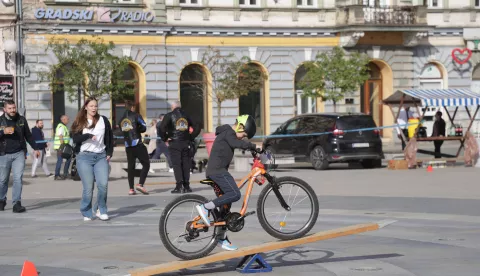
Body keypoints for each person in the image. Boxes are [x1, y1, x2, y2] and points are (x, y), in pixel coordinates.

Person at [195, 115, 261, 251]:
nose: (243, 137)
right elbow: (236, 143)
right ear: (240, 126)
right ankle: (205, 207)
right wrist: (254, 146)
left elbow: (238, 143)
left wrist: (253, 151)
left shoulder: (228, 134)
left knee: (225, 206)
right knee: (235, 193)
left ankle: (221, 237)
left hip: (218, 171)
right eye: (244, 134)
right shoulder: (228, 133)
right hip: (217, 172)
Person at [71, 97, 114, 221]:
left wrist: (109, 152)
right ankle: (86, 211)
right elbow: (75, 139)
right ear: (86, 107)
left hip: (100, 156)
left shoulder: (103, 120)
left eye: (95, 106)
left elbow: (109, 138)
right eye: (91, 106)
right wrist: (88, 135)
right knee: (88, 188)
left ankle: (101, 209)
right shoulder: (79, 121)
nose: (94, 108)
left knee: (103, 184)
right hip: (84, 157)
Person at [0, 100, 40, 213]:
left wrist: (36, 148)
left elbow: (28, 135)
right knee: (3, 180)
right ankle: (1, 200)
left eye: (14, 108)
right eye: (10, 108)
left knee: (18, 179)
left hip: (19, 153)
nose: (13, 110)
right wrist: (3, 132)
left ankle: (16, 203)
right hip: (3, 154)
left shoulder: (21, 119)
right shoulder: (0, 120)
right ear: (5, 109)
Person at [159, 101, 199, 193]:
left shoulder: (169, 115)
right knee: (186, 164)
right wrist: (191, 137)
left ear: (173, 107)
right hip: (185, 142)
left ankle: (179, 186)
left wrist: (165, 138)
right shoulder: (187, 115)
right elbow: (197, 126)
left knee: (177, 164)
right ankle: (187, 186)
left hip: (174, 142)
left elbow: (161, 128)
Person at [120, 100, 150, 195]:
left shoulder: (121, 119)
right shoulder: (136, 115)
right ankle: (140, 184)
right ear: (132, 107)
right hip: (137, 143)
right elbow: (144, 127)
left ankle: (131, 189)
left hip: (128, 145)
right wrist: (138, 129)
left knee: (131, 167)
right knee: (146, 164)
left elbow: (122, 130)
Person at [54, 115, 72, 180]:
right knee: (60, 160)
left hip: (64, 146)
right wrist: (62, 145)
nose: (68, 120)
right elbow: (60, 136)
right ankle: (57, 175)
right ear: (63, 120)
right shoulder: (61, 126)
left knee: (69, 159)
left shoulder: (64, 126)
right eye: (67, 119)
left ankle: (65, 173)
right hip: (61, 147)